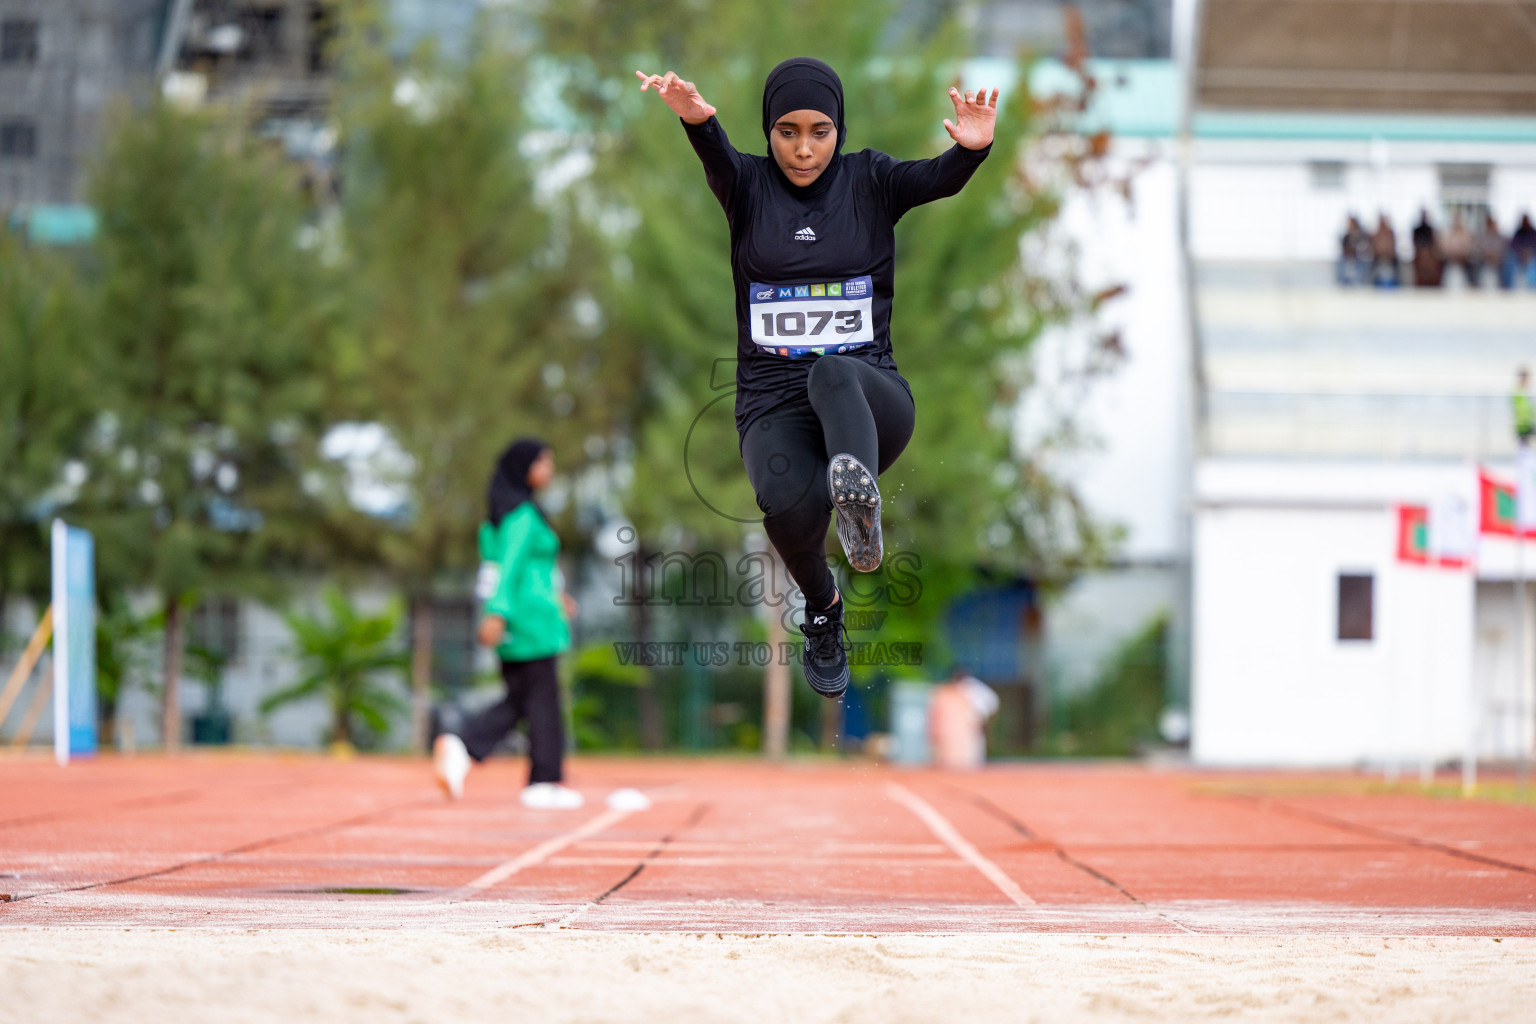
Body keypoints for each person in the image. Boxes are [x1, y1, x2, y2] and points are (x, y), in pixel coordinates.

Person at [635, 59, 997, 699]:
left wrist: (971, 150)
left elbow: (937, 177)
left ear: (840, 129)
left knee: (832, 371)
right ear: (769, 132)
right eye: (787, 132)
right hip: (773, 403)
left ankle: (857, 501)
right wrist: (694, 114)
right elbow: (714, 148)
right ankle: (824, 612)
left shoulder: (871, 179)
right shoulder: (747, 186)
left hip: (868, 398)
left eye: (820, 131)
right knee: (783, 502)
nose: (804, 148)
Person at [433, 439, 583, 809]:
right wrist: (496, 612)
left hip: (526, 616)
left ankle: (463, 746)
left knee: (521, 698)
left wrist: (556, 596)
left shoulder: (506, 515)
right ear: (523, 467)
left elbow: (511, 567)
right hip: (529, 620)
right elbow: (511, 566)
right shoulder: (522, 517)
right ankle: (543, 782)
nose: (549, 470)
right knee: (543, 699)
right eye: (543, 462)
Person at [928, 665, 1000, 770]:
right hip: (961, 729)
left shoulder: (972, 688)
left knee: (971, 759)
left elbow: (990, 705)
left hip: (971, 726)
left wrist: (982, 720)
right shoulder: (954, 689)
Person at [1440, 212, 1478, 288]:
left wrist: (1461, 255)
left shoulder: (1467, 235)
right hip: (1450, 264)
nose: (1457, 222)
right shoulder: (1448, 235)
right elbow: (1444, 250)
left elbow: (1470, 249)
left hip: (1464, 265)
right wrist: (1453, 255)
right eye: (1455, 220)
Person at [1410, 208, 1442, 287]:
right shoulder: (1416, 230)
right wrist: (1422, 251)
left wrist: (1428, 251)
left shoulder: (1430, 229)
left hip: (1430, 251)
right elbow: (1415, 242)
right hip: (1419, 252)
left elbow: (1433, 242)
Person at [1336, 214, 1370, 286]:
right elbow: (1344, 248)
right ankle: (1342, 283)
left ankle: (1361, 282)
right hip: (1347, 258)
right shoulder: (1346, 236)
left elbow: (1364, 248)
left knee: (1364, 262)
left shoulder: (1362, 235)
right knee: (1342, 263)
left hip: (1358, 258)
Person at [1370, 213, 1400, 287]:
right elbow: (1375, 248)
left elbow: (1392, 247)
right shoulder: (1376, 234)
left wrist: (1388, 255)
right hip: (1378, 259)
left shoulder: (1390, 233)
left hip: (1390, 259)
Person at [1511, 213, 1536, 289]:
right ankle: (1512, 286)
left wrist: (1529, 253)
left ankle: (1532, 287)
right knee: (1510, 261)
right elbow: (1514, 245)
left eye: (1526, 221)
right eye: (1523, 221)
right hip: (1519, 256)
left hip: (1532, 256)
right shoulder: (1518, 233)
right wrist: (1521, 252)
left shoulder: (1533, 232)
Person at [1515, 367, 1535, 447]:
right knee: (1524, 446)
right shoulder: (1518, 392)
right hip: (1523, 425)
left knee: (1526, 446)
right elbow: (1518, 410)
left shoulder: (1527, 391)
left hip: (1528, 423)